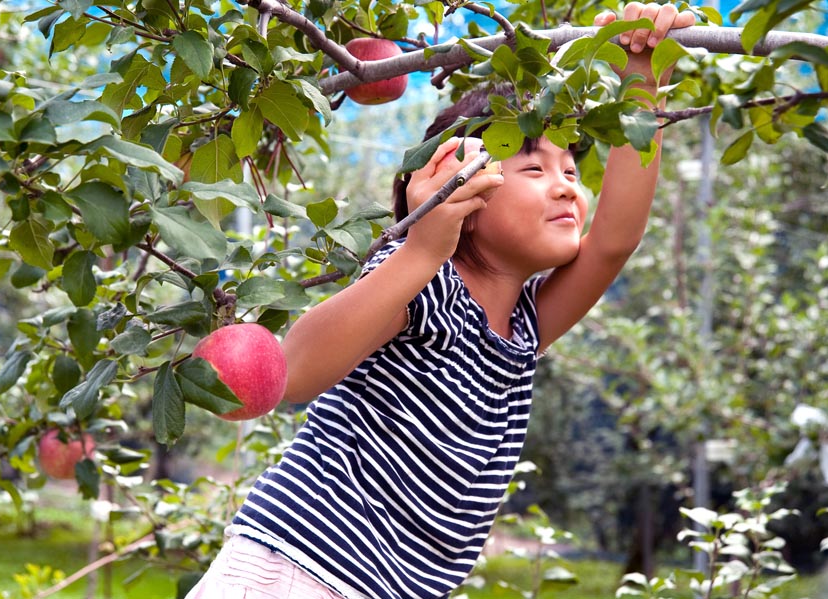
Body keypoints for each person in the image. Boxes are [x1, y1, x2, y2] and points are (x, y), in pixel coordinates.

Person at [187, 3, 696, 598]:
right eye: (533, 168)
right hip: (300, 564)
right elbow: (295, 374)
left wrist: (642, 74)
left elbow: (614, 240)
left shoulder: (525, 325)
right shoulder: (422, 281)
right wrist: (422, 249)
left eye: (571, 169)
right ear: (466, 196)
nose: (565, 184)